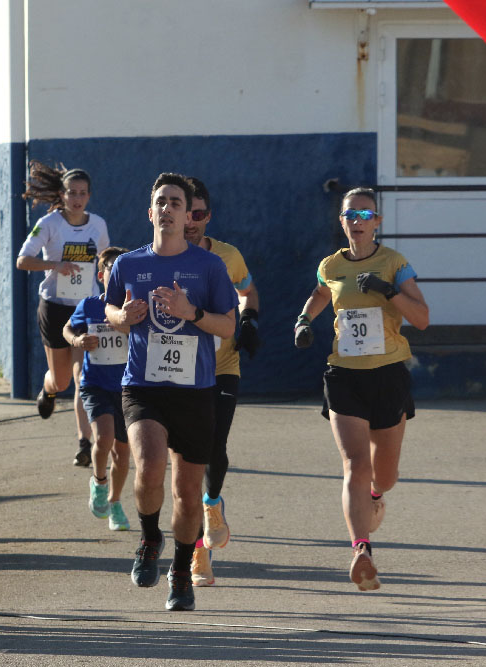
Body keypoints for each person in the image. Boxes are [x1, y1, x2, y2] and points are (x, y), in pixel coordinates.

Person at [104, 174, 237, 612]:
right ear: (150, 212)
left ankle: (182, 572)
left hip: (196, 392)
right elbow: (109, 309)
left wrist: (191, 312)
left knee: (186, 490)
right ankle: (148, 536)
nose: (167, 209)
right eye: (160, 201)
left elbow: (228, 326)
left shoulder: (209, 266)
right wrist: (122, 316)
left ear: (187, 214)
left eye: (175, 203)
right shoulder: (128, 264)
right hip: (143, 386)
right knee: (149, 466)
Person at [293, 187, 429, 591]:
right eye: (350, 214)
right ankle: (361, 549)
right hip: (343, 374)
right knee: (354, 463)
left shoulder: (395, 264)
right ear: (341, 221)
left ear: (377, 223)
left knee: (382, 474)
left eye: (365, 214)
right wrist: (303, 320)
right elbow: (320, 293)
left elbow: (421, 317)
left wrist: (388, 291)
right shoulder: (331, 265)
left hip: (387, 373)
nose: (357, 220)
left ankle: (375, 495)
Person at [182, 177, 262, 586]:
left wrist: (248, 319)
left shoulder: (229, 257)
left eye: (198, 215)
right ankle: (199, 555)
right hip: (177, 372)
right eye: (185, 213)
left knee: (214, 446)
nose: (191, 222)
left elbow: (250, 292)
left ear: (207, 217)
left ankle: (213, 504)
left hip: (222, 365)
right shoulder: (162, 257)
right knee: (186, 463)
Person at [16, 162, 107, 466]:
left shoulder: (98, 225)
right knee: (63, 381)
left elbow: (104, 265)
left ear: (90, 196)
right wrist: (54, 265)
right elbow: (23, 260)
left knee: (83, 378)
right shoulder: (49, 224)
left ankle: (84, 442)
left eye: (82, 193)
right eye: (71, 193)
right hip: (54, 308)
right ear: (62, 195)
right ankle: (48, 388)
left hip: (86, 310)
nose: (77, 198)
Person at [62, 246, 131, 531]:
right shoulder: (89, 305)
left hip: (128, 387)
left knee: (123, 453)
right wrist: (77, 342)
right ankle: (99, 482)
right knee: (103, 438)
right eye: (110, 272)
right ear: (101, 275)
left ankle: (115, 503)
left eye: (121, 272)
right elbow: (67, 329)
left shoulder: (134, 308)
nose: (115, 276)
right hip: (96, 384)